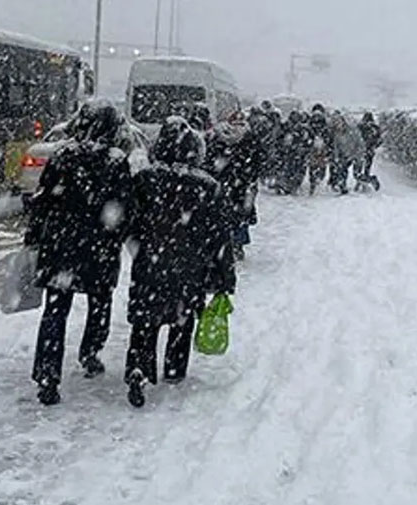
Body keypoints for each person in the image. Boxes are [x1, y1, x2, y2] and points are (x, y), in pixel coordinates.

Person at [24, 103, 133, 406]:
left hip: (60, 246)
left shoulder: (62, 156)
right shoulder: (115, 161)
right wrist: (116, 235)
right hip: (99, 248)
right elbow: (124, 208)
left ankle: (47, 374)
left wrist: (34, 236)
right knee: (100, 301)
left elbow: (42, 200)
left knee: (55, 310)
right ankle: (90, 351)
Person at [125, 117, 237, 408]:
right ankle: (173, 370)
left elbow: (129, 221)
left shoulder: (145, 180)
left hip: (150, 262)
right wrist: (225, 277)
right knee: (181, 319)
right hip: (189, 267)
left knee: (144, 321)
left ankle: (139, 368)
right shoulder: (207, 186)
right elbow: (220, 237)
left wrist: (138, 245)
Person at [204, 110, 268, 260]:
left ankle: (227, 243)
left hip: (225, 182)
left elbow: (209, 160)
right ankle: (236, 244)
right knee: (240, 215)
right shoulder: (250, 138)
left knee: (225, 213)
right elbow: (260, 160)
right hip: (242, 184)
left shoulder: (219, 137)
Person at [329, 111, 365, 195]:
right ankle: (343, 188)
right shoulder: (337, 134)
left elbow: (360, 144)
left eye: (338, 122)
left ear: (343, 121)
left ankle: (371, 180)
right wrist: (337, 157)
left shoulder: (352, 130)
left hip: (356, 155)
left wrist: (356, 155)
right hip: (345, 155)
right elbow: (336, 147)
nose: (337, 125)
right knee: (341, 170)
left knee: (357, 175)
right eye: (335, 123)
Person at [306, 105, 335, 195]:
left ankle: (318, 179)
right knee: (313, 166)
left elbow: (329, 136)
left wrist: (328, 147)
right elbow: (308, 133)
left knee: (322, 166)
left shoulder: (325, 124)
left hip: (323, 148)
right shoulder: (310, 123)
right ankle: (313, 184)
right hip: (313, 148)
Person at [357, 112, 382, 191]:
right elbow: (380, 140)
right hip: (369, 151)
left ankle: (362, 183)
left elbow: (356, 138)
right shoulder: (375, 128)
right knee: (366, 169)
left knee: (358, 170)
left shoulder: (360, 126)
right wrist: (374, 147)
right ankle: (366, 182)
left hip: (361, 151)